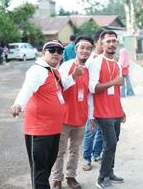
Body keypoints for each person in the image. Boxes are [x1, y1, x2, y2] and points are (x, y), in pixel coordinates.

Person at [10, 39, 66, 189]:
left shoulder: (54, 71)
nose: (56, 53)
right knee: (40, 170)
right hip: (39, 129)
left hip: (54, 128)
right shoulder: (37, 70)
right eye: (52, 50)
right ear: (43, 52)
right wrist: (18, 104)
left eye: (59, 51)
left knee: (46, 167)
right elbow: (27, 88)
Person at [51, 36, 94, 189]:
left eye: (88, 48)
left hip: (81, 118)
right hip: (64, 117)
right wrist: (73, 76)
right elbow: (58, 87)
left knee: (75, 151)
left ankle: (71, 177)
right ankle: (57, 179)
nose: (85, 50)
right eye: (82, 47)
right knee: (59, 151)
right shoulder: (65, 66)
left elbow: (89, 95)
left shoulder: (89, 70)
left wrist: (91, 117)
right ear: (75, 49)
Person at [88, 30, 126, 189]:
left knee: (113, 143)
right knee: (110, 143)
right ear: (101, 43)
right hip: (102, 112)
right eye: (108, 41)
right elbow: (92, 88)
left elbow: (116, 92)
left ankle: (110, 172)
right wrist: (114, 82)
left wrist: (122, 110)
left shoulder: (116, 63)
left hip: (116, 111)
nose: (111, 44)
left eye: (114, 41)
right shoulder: (96, 62)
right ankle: (101, 178)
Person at [82, 29, 104, 171]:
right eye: (104, 42)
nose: (108, 45)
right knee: (90, 131)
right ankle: (86, 158)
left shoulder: (107, 60)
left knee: (101, 131)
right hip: (91, 102)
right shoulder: (91, 61)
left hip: (103, 103)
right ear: (98, 43)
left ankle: (97, 154)